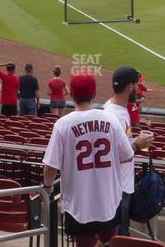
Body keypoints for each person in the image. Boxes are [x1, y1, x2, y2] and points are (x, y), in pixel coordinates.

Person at [42, 73, 133, 247]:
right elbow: (127, 155)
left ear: (72, 94)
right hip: (109, 202)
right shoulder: (111, 119)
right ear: (94, 94)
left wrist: (47, 187)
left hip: (79, 205)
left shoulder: (63, 124)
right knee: (108, 242)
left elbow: (50, 167)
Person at [102, 67, 155, 236]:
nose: (139, 89)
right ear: (129, 87)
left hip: (122, 185)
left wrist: (134, 141)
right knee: (119, 237)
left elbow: (119, 144)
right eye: (137, 85)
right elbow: (113, 155)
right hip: (118, 189)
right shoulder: (114, 116)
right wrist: (137, 145)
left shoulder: (115, 107)